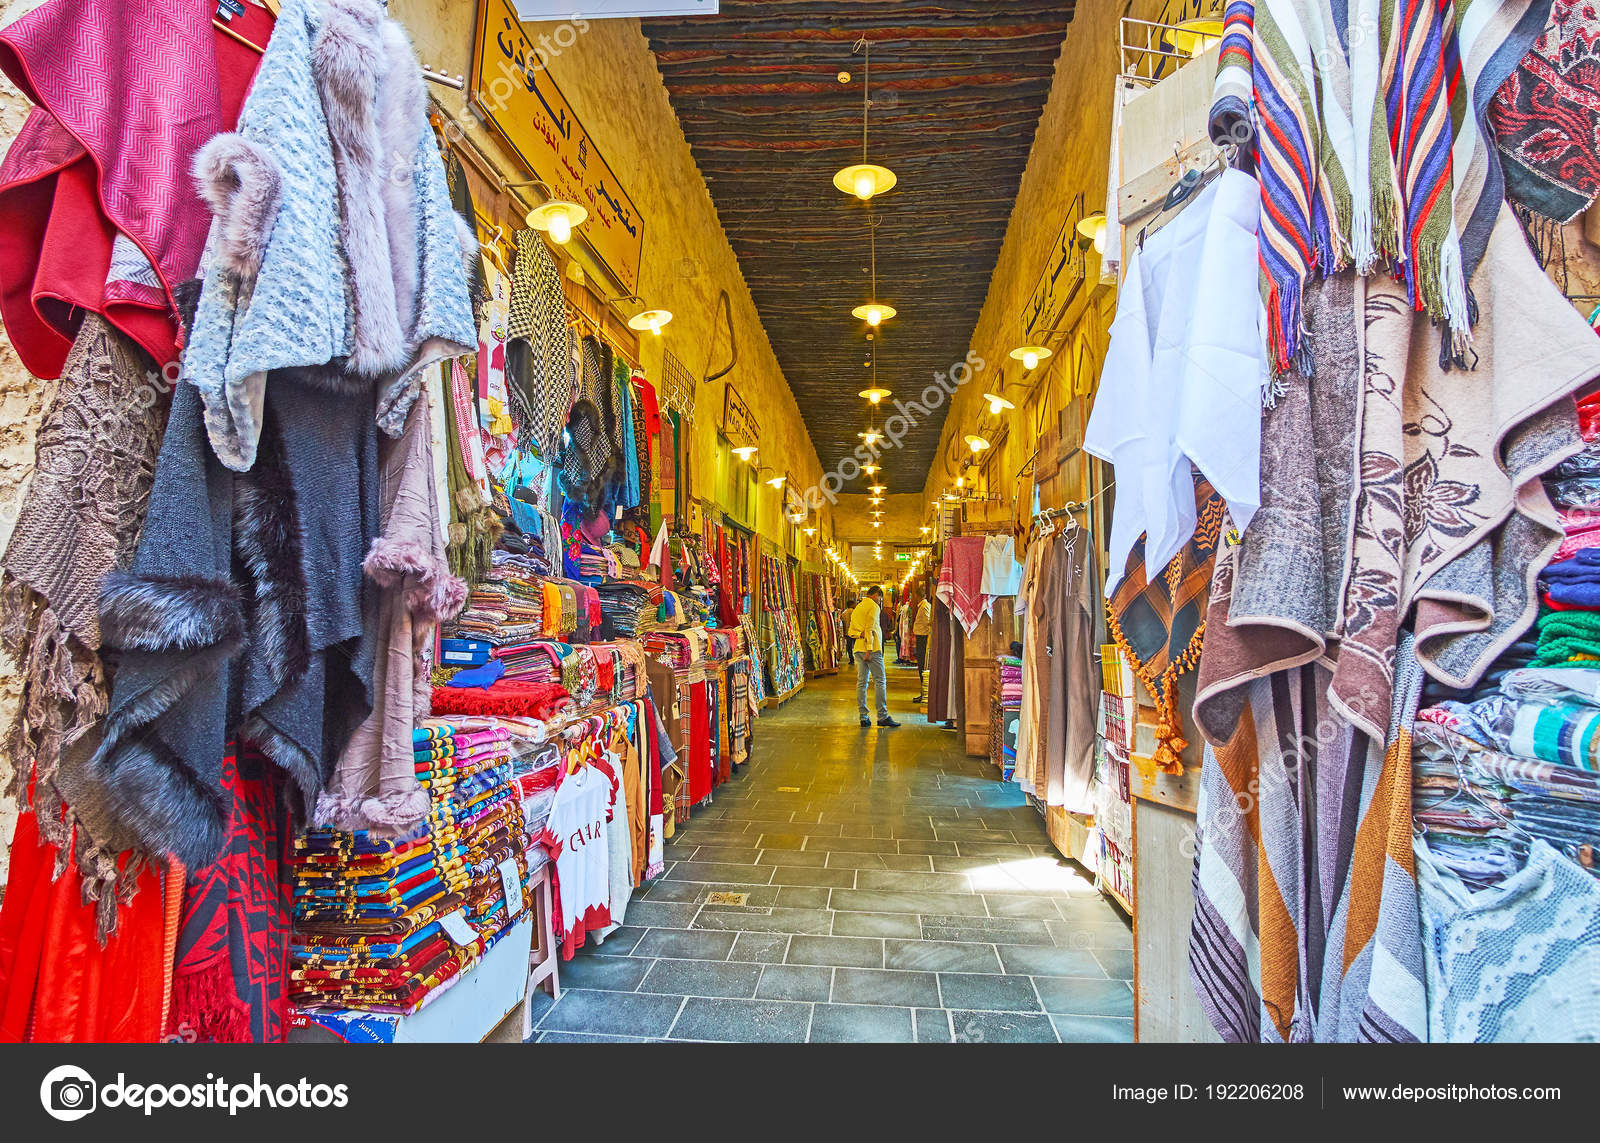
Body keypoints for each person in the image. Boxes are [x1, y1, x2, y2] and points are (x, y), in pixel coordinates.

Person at [848, 586, 897, 728]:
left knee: (862, 682)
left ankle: (863, 717)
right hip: (871, 650)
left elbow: (851, 631)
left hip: (858, 648)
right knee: (880, 681)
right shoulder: (874, 607)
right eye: (880, 598)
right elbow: (870, 628)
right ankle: (883, 716)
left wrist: (859, 635)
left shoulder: (858, 607)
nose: (880, 601)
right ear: (876, 595)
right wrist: (869, 649)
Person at [913, 594, 933, 701]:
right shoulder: (922, 606)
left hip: (923, 638)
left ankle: (924, 694)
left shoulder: (925, 606)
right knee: (920, 664)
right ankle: (923, 693)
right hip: (921, 637)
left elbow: (927, 622)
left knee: (922, 664)